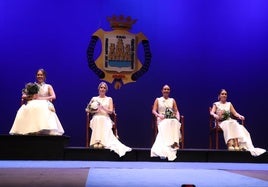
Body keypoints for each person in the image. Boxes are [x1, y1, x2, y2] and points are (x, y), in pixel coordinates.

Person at [210, 89, 266, 156]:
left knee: (236, 124)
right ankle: (230, 143)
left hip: (229, 121)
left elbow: (235, 113)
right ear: (219, 95)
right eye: (222, 94)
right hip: (220, 122)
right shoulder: (216, 104)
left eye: (225, 94)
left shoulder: (229, 104)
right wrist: (215, 115)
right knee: (228, 123)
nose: (224, 95)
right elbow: (211, 112)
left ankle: (237, 144)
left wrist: (240, 116)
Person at [85, 81, 131, 157]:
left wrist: (103, 108)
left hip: (105, 117)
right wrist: (95, 110)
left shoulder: (109, 99)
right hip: (96, 116)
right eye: (101, 87)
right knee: (97, 119)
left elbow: (111, 111)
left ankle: (103, 142)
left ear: (106, 90)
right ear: (98, 89)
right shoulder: (94, 98)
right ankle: (96, 142)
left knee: (102, 119)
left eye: (104, 88)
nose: (102, 89)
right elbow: (87, 109)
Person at [151, 84, 182, 161]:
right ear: (162, 90)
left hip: (171, 119)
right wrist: (158, 115)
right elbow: (153, 110)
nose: (166, 90)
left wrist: (178, 118)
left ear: (169, 91)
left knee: (174, 122)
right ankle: (163, 150)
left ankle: (174, 145)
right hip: (161, 119)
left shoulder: (172, 100)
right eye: (165, 89)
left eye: (168, 89)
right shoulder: (158, 99)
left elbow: (176, 111)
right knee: (168, 122)